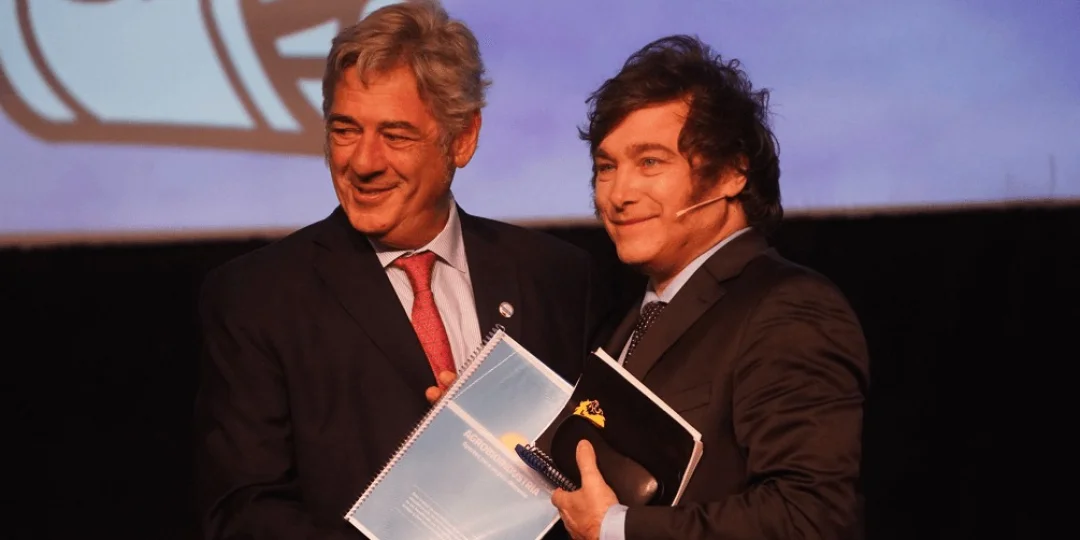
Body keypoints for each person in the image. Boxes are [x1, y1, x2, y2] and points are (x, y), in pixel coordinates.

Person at [192, 2, 609, 538]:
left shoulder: (555, 275)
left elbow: (597, 456)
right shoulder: (258, 298)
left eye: (395, 135)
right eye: (345, 130)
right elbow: (243, 511)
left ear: (463, 138)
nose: (363, 162)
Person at [550, 35, 870, 540]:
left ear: (731, 173)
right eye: (606, 168)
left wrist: (616, 529)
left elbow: (811, 516)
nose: (619, 194)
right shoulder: (630, 318)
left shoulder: (789, 308)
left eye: (650, 162)